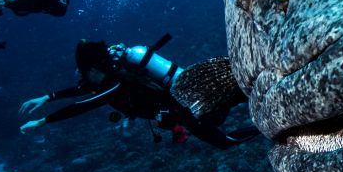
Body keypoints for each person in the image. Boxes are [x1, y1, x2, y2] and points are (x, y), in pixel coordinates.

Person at [19, 35, 259, 150]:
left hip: (189, 106)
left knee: (223, 139)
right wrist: (47, 97)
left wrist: (43, 121)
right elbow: (82, 89)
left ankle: (270, 124)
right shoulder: (108, 78)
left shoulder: (116, 82)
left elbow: (84, 104)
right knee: (237, 97)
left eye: (87, 72)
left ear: (96, 68)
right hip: (185, 104)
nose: (85, 79)